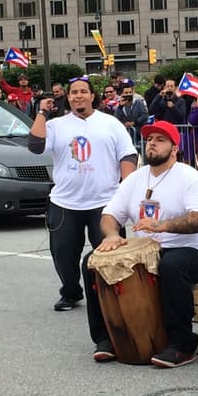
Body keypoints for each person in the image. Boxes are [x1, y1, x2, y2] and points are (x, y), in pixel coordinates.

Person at [88, 121, 198, 368]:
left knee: (172, 264)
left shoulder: (188, 176)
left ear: (174, 148)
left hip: (191, 251)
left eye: (160, 139)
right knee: (93, 261)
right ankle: (106, 338)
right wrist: (112, 234)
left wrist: (164, 226)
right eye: (149, 139)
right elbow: (109, 215)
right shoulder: (135, 179)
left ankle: (182, 345)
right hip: (148, 251)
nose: (153, 143)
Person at [29, 78, 138, 311]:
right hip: (65, 202)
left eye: (83, 92)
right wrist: (42, 112)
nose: (78, 96)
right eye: (73, 92)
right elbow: (35, 146)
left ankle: (111, 294)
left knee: (110, 254)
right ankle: (70, 292)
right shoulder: (56, 125)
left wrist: (126, 187)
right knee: (63, 253)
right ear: (68, 97)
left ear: (92, 96)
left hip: (104, 203)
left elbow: (128, 155)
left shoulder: (110, 123)